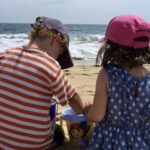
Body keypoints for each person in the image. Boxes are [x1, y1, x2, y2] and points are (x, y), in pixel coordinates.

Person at [0, 16, 85, 149]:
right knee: (58, 132)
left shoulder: (4, 55)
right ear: (54, 40)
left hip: (3, 142)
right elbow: (73, 98)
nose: (57, 57)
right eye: (60, 52)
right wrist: (84, 111)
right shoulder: (50, 65)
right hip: (33, 145)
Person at [84, 15, 150, 149]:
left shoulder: (107, 74)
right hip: (142, 140)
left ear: (112, 48)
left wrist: (87, 111)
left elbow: (97, 116)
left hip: (110, 140)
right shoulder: (148, 78)